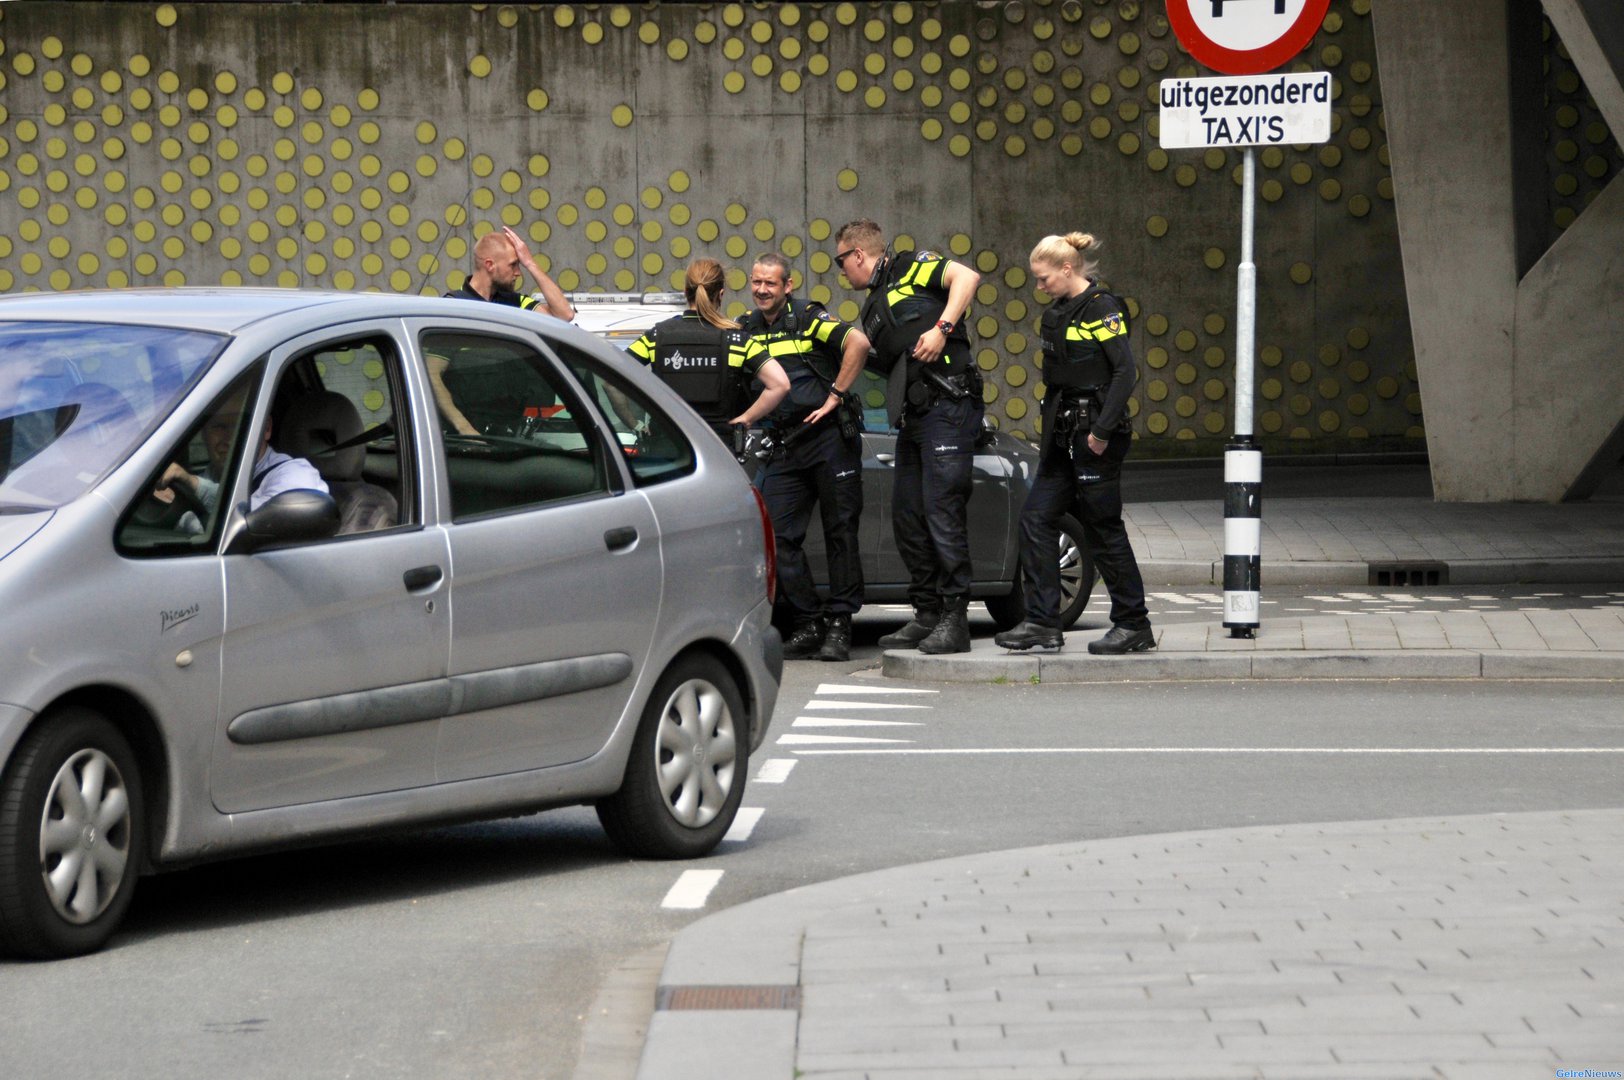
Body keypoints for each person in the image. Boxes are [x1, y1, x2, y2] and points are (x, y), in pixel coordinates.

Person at [994, 232, 1154, 655]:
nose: (1039, 287)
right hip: (1064, 436)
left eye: (1044, 278)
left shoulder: (1102, 308)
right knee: (1036, 519)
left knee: (1103, 528)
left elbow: (1125, 373)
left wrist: (1101, 432)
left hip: (1096, 435)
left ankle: (1133, 624)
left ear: (1068, 269)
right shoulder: (1058, 312)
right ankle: (1043, 623)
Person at [834, 219, 981, 655]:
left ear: (858, 254)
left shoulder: (911, 265)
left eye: (842, 262)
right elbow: (890, 361)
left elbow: (967, 277)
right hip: (915, 415)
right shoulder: (872, 307)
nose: (842, 272)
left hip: (949, 406)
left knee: (941, 512)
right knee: (908, 517)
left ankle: (956, 620)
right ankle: (928, 613)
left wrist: (943, 329)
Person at [738, 253, 871, 662]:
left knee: (840, 532)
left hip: (829, 438)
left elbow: (859, 343)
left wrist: (835, 395)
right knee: (775, 537)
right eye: (757, 282)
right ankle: (810, 622)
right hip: (785, 442)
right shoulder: (744, 328)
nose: (762, 290)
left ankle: (840, 625)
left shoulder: (808, 316)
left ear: (788, 286)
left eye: (770, 284)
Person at [627, 258, 790, 450]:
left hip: (666, 452)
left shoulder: (656, 337)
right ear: (721, 294)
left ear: (685, 291)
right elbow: (780, 384)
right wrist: (745, 420)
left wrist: (635, 423)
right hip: (718, 451)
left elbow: (609, 380)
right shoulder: (737, 341)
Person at [156, 390, 327, 534]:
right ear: (203, 434)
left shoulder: (294, 474)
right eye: (219, 426)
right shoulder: (210, 475)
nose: (228, 438)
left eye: (239, 424)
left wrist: (193, 486)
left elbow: (250, 520)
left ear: (265, 428)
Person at [446, 225, 576, 321]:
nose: (518, 273)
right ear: (490, 265)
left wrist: (530, 263)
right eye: (513, 265)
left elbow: (565, 315)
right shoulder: (453, 305)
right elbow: (436, 358)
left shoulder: (516, 302)